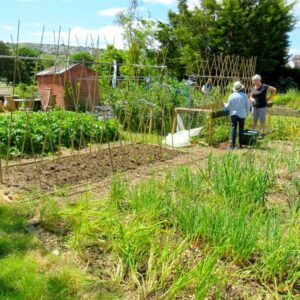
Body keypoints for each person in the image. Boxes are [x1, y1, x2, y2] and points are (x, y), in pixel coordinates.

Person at [224, 81, 250, 149]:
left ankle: (233, 145)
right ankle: (240, 145)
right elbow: (247, 106)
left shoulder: (231, 95)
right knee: (241, 129)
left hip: (234, 114)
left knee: (233, 128)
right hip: (242, 114)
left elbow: (228, 106)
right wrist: (247, 114)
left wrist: (225, 104)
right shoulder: (244, 95)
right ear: (241, 88)